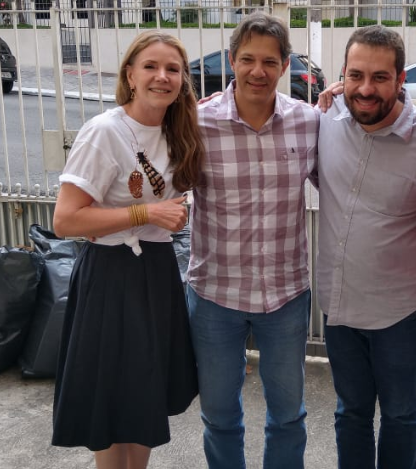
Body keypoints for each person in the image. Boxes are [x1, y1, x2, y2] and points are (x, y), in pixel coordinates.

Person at [51, 30, 204, 469]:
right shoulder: (104, 132)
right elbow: (66, 220)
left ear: (183, 80)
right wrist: (146, 213)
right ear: (130, 76)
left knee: (142, 393)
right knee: (113, 394)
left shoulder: (179, 131)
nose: (162, 76)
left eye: (173, 69)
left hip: (155, 271)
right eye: (150, 67)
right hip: (111, 273)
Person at [186, 12, 319, 469]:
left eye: (269, 61)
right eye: (247, 60)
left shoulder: (309, 122)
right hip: (215, 295)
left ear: (285, 66)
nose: (257, 71)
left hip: (285, 295)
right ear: (231, 60)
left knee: (288, 416)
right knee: (219, 415)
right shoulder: (197, 123)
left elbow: (342, 173)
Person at [317, 25, 416, 469]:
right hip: (340, 306)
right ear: (342, 76)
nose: (365, 89)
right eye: (355, 75)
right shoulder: (326, 119)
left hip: (401, 312)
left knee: (399, 414)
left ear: (400, 79)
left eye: (379, 77)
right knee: (350, 413)